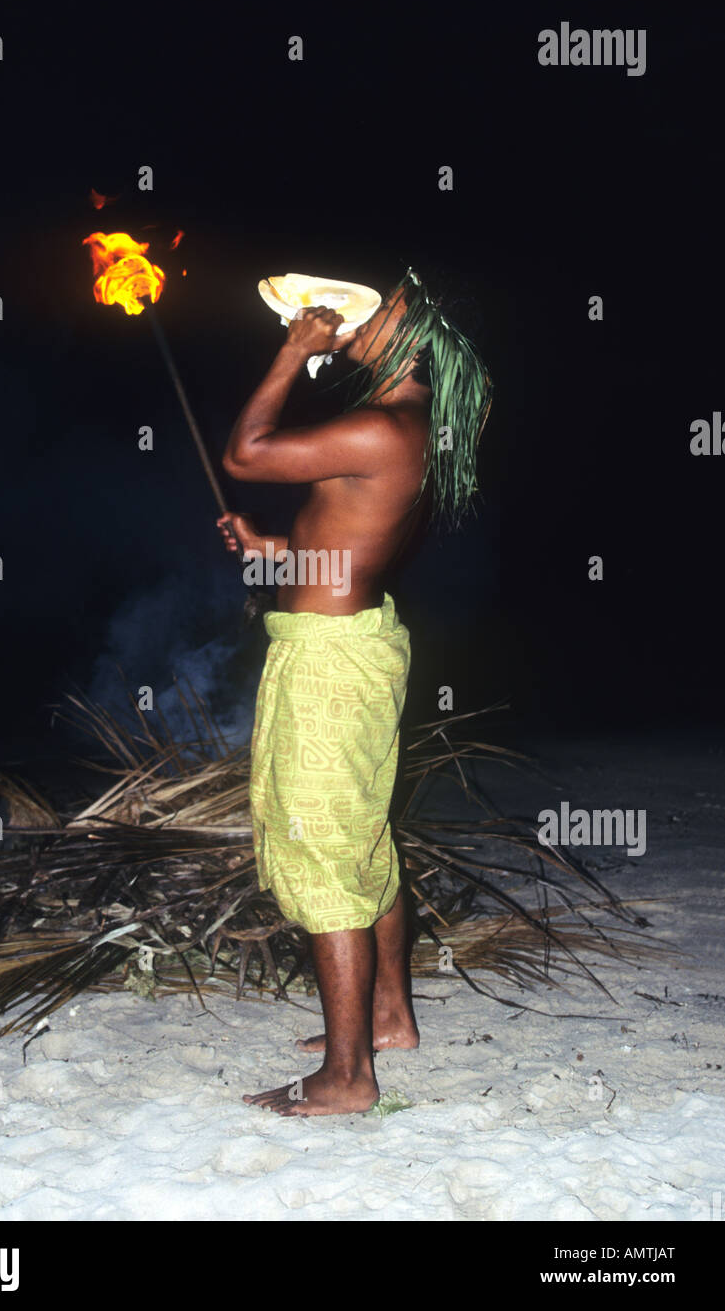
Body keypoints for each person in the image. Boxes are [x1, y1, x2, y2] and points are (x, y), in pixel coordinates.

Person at [217, 268, 491, 1115]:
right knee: (362, 837)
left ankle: (346, 1079)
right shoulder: (397, 428)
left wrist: (293, 352)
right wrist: (279, 557)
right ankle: (388, 1016)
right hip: (346, 635)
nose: (360, 320)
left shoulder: (380, 425)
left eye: (384, 314)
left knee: (326, 847)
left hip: (332, 659)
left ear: (413, 343)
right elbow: (347, 543)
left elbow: (246, 454)